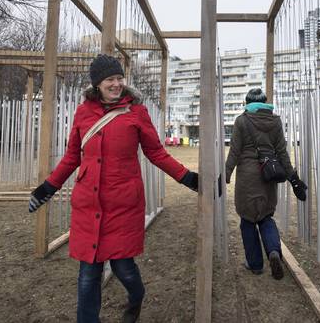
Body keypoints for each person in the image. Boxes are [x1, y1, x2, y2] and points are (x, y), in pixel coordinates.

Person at [28, 54, 199, 323]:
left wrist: (188, 178)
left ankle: (136, 296)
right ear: (97, 84)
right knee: (88, 275)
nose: (117, 83)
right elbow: (73, 156)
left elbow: (156, 153)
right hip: (89, 204)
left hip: (123, 204)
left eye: (120, 78)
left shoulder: (136, 112)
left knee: (123, 268)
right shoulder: (84, 112)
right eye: (111, 79)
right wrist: (47, 188)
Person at [225, 87, 307, 280]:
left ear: (247, 103)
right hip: (268, 176)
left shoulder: (241, 121)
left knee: (247, 220)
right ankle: (273, 252)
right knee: (265, 217)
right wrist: (294, 179)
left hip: (247, 177)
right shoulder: (275, 121)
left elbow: (234, 152)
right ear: (264, 102)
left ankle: (255, 264)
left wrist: (225, 175)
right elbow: (282, 154)